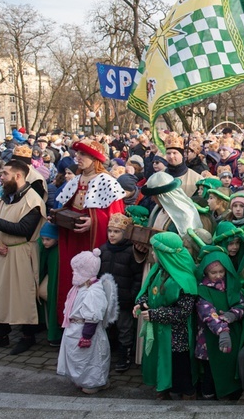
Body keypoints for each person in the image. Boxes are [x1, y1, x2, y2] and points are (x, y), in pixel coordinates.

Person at [0, 159, 46, 355]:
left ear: (18, 176)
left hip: (23, 252)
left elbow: (24, 229)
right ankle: (0, 335)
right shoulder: (4, 199)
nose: (1, 177)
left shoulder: (33, 200)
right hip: (2, 252)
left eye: (5, 174)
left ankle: (27, 336)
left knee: (23, 294)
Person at [54, 139, 125, 324]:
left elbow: (117, 219)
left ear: (95, 159)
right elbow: (67, 205)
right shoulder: (76, 180)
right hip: (73, 238)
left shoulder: (108, 182)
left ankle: (91, 323)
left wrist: (93, 221)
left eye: (82, 154)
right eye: (77, 154)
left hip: (93, 242)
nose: (77, 158)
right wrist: (57, 216)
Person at [135, 232, 199, 400]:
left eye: (155, 251)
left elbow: (183, 312)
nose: (153, 254)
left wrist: (156, 314)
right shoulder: (158, 270)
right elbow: (147, 290)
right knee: (161, 359)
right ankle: (163, 386)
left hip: (177, 334)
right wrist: (142, 303)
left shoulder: (184, 279)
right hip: (160, 329)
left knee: (178, 363)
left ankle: (184, 392)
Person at [57, 248, 118, 394]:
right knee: (77, 357)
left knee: (90, 358)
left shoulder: (94, 291)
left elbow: (93, 314)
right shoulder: (80, 287)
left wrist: (87, 335)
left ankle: (93, 382)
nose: (73, 273)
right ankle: (81, 379)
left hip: (85, 330)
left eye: (76, 270)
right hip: (75, 328)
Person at [194, 246, 244, 400]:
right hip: (209, 337)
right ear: (205, 273)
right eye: (213, 273)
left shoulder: (231, 285)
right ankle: (208, 391)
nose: (218, 276)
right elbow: (208, 313)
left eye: (221, 272)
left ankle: (229, 389)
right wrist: (222, 330)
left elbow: (241, 304)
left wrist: (233, 314)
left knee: (228, 363)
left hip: (232, 333)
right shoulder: (202, 291)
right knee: (211, 366)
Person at [98, 212, 143, 373]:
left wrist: (132, 296)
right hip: (106, 299)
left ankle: (125, 356)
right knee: (108, 326)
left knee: (125, 328)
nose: (112, 234)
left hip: (124, 300)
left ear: (125, 233)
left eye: (116, 231)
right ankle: (109, 353)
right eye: (110, 231)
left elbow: (137, 276)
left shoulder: (131, 252)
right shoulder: (103, 249)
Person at [163, 133, 202, 198]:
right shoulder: (159, 175)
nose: (171, 156)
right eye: (168, 153)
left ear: (182, 155)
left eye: (175, 153)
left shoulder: (196, 179)